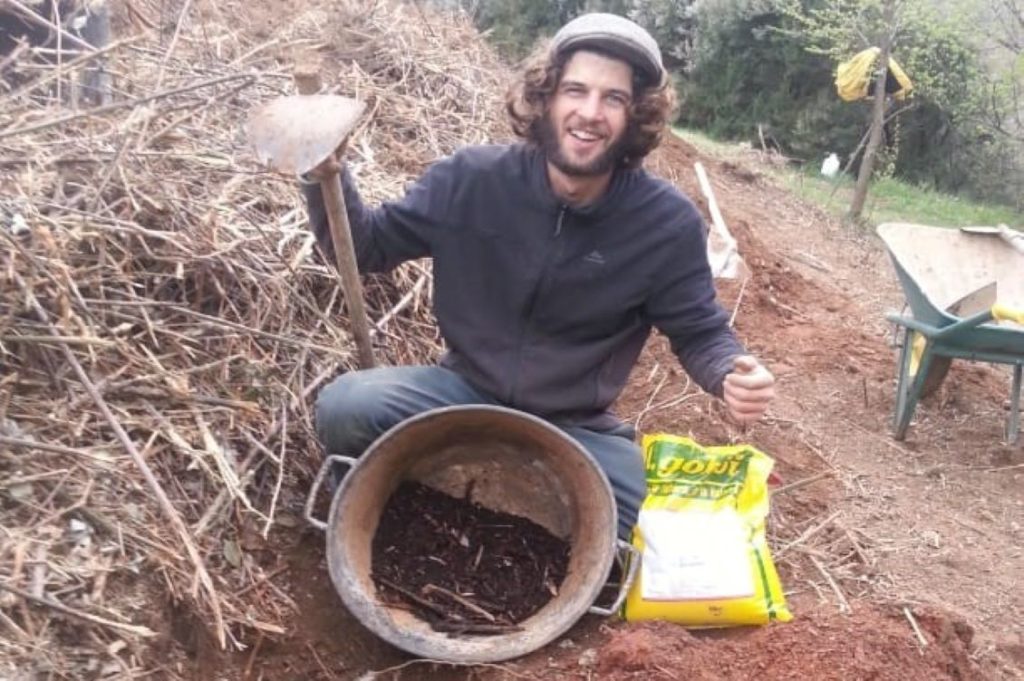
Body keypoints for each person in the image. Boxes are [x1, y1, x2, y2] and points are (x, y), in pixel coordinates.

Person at [302, 13, 775, 539]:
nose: (590, 113)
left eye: (613, 99)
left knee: (640, 522)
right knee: (348, 407)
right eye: (576, 89)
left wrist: (730, 371)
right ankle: (378, 520)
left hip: (573, 427)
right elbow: (365, 246)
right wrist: (324, 174)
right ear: (546, 97)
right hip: (460, 393)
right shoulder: (471, 180)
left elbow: (699, 330)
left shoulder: (665, 223)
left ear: (636, 115)